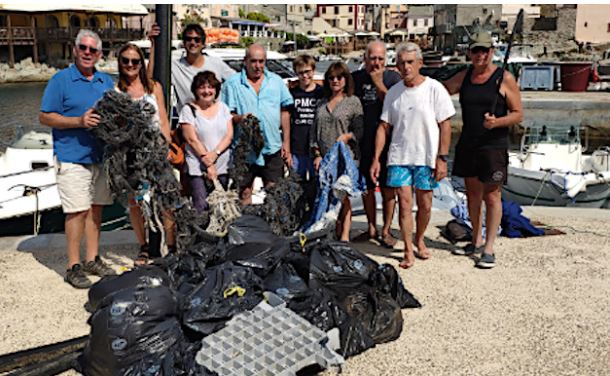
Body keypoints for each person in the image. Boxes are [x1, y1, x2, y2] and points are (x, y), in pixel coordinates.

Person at [39, 29, 116, 288]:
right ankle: (73, 265)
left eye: (92, 50)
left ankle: (92, 258)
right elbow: (45, 116)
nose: (87, 53)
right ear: (75, 50)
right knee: (77, 212)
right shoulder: (60, 80)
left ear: (99, 54)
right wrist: (79, 121)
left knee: (96, 210)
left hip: (101, 157)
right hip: (72, 157)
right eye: (83, 48)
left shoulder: (106, 82)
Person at [371, 42, 455, 269]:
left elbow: (445, 125)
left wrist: (442, 158)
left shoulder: (434, 88)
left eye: (410, 62)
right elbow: (384, 126)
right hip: (399, 157)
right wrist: (377, 159)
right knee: (405, 203)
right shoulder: (394, 94)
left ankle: (419, 238)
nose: (406, 67)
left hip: (426, 158)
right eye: (401, 63)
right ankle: (408, 248)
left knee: (425, 204)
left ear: (420, 63)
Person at [443, 32, 523, 269]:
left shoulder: (504, 78)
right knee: (472, 193)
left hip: (493, 145)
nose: (480, 55)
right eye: (476, 50)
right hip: (469, 143)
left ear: (492, 52)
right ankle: (475, 238)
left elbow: (518, 113)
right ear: (470, 53)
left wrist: (497, 122)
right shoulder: (464, 76)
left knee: (492, 195)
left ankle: (489, 247)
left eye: (484, 51)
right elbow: (442, 89)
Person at [115, 42, 176, 266]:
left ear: (141, 63)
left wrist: (167, 143)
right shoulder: (118, 92)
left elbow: (162, 117)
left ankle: (170, 245)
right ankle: (144, 246)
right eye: (126, 61)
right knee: (137, 202)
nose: (130, 65)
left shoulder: (154, 87)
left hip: (157, 151)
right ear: (120, 63)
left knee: (166, 199)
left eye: (135, 61)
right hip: (132, 153)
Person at [221, 43, 294, 205]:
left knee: (274, 192)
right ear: (245, 61)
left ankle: (272, 229)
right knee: (243, 192)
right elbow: (225, 116)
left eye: (261, 61)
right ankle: (244, 227)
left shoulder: (276, 82)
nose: (257, 66)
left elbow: (285, 112)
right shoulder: (232, 84)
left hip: (272, 146)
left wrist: (286, 144)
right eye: (253, 61)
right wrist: (240, 118)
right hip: (245, 149)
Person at [352, 40, 402, 248]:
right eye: (372, 58)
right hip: (364, 142)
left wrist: (378, 82)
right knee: (367, 188)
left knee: (389, 189)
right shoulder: (355, 78)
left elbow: (394, 105)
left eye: (380, 58)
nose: (376, 62)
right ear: (365, 59)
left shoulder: (393, 78)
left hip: (389, 143)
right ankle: (371, 227)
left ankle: (386, 229)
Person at [310, 62, 363, 242]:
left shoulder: (353, 102)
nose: (335, 81)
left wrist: (347, 137)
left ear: (346, 80)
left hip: (345, 158)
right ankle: (329, 232)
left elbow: (360, 131)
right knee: (325, 196)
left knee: (343, 197)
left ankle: (345, 237)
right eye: (331, 78)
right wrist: (316, 154)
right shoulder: (321, 103)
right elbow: (313, 132)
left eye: (339, 77)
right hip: (325, 159)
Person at [180, 71, 233, 212]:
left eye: (210, 87)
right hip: (198, 167)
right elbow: (191, 139)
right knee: (201, 205)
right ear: (196, 90)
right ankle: (200, 234)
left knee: (220, 207)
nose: (207, 91)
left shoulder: (223, 108)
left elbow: (228, 136)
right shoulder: (188, 110)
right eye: (202, 87)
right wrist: (208, 162)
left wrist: (215, 154)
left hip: (222, 166)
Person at [171, 24, 235, 113]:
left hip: (216, 121)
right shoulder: (175, 66)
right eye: (189, 39)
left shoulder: (216, 63)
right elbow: (151, 83)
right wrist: (153, 44)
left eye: (197, 40)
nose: (193, 43)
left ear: (203, 44)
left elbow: (237, 82)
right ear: (184, 43)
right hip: (190, 122)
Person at [289, 54, 323, 180]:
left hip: (317, 149)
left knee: (318, 185)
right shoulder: (292, 94)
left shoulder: (322, 93)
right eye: (300, 73)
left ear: (313, 71)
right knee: (296, 185)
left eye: (307, 71)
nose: (304, 76)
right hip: (297, 147)